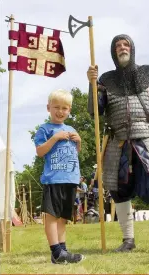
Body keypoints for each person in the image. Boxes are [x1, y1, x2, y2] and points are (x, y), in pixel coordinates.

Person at [87, 34, 149, 253]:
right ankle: (128, 240)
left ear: (132, 48)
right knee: (119, 190)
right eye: (117, 46)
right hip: (117, 142)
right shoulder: (105, 81)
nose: (121, 48)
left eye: (125, 44)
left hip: (146, 139)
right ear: (113, 52)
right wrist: (91, 85)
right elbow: (95, 112)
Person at [34, 89, 85, 264]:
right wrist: (55, 138)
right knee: (52, 216)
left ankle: (62, 251)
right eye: (57, 107)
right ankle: (55, 251)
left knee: (63, 217)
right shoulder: (45, 129)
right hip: (53, 179)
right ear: (49, 107)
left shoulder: (71, 129)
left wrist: (78, 142)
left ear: (69, 110)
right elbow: (40, 152)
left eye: (65, 108)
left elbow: (74, 153)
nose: (60, 111)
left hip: (70, 179)